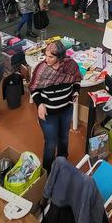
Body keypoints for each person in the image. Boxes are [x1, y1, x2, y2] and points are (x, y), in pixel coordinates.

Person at [29, 41, 81, 174]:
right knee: (51, 144)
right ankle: (48, 172)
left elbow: (76, 80)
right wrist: (40, 104)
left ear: (60, 57)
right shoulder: (41, 69)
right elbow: (33, 88)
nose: (46, 59)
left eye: (51, 57)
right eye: (46, 55)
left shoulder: (71, 65)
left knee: (64, 138)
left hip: (66, 110)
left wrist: (76, 91)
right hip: (49, 114)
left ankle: (62, 163)